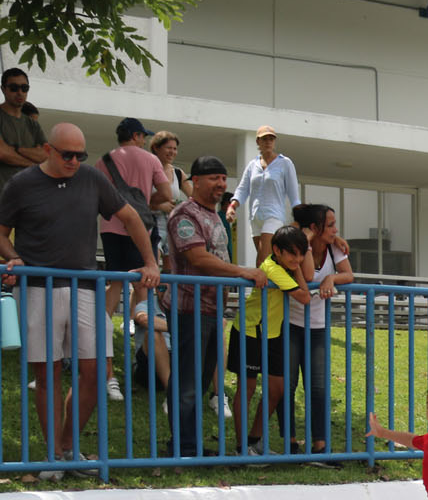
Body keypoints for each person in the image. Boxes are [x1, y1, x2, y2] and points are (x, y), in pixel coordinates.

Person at [0, 123, 159, 477]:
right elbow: (1, 232)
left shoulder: (92, 178)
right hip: (38, 286)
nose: (74, 161)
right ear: (47, 150)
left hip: (86, 286)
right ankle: (54, 455)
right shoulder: (22, 184)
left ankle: (69, 449)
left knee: (95, 371)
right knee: (48, 373)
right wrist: (14, 258)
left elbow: (131, 217)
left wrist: (150, 262)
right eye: (66, 154)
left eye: (80, 155)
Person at [161, 155, 266, 457]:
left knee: (202, 379)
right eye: (214, 178)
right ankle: (182, 448)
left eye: (223, 178)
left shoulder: (215, 216)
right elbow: (197, 258)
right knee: (188, 382)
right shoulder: (185, 214)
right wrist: (243, 271)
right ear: (195, 181)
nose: (221, 184)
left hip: (210, 310)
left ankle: (190, 445)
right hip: (187, 308)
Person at [98, 116, 170, 402]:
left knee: (113, 286)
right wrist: (143, 201)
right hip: (143, 228)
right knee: (144, 286)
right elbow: (165, 193)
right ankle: (145, 353)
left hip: (112, 228)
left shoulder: (104, 160)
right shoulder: (151, 160)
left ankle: (102, 353)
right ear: (137, 136)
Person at [226, 225, 313, 454]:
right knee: (248, 388)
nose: (298, 258)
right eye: (293, 253)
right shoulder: (271, 268)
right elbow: (305, 297)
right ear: (277, 250)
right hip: (249, 332)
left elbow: (305, 295)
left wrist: (296, 268)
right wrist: (298, 270)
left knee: (277, 389)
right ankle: (241, 447)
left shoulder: (286, 269)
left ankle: (254, 440)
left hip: (273, 335)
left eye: (301, 253)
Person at [280, 202, 354, 462]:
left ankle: (320, 444)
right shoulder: (297, 245)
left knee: (319, 387)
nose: (335, 229)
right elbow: (309, 272)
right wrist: (308, 243)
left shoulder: (335, 247)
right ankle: (289, 442)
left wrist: (331, 278)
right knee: (287, 385)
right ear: (314, 227)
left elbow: (349, 275)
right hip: (290, 324)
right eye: (331, 225)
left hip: (318, 325)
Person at [225, 125, 300, 266]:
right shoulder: (252, 164)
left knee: (261, 260)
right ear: (258, 142)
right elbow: (242, 189)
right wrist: (232, 206)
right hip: (255, 217)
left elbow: (293, 194)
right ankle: (278, 285)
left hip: (274, 216)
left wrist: (299, 219)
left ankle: (259, 288)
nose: (268, 142)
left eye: (271, 139)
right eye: (264, 139)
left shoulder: (285, 163)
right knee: (270, 262)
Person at [148, 129, 192, 261]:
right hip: (152, 224)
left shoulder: (178, 173)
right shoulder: (147, 170)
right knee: (153, 262)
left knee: (172, 267)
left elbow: (194, 198)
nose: (172, 152)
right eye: (168, 148)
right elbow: (137, 200)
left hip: (172, 224)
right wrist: (159, 206)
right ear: (156, 148)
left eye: (175, 148)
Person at [0, 68, 45, 191]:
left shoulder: (33, 124)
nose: (20, 92)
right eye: (14, 88)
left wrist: (15, 149)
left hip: (27, 198)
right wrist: (33, 164)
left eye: (24, 88)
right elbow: (3, 153)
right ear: (3, 89)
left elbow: (46, 155)